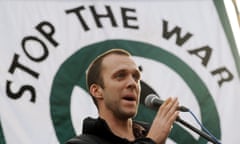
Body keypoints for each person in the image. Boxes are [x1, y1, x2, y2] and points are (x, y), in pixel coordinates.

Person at [66, 48, 180, 144]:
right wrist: (152, 141)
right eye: (120, 76)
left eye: (135, 77)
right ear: (97, 91)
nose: (132, 83)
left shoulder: (149, 134)